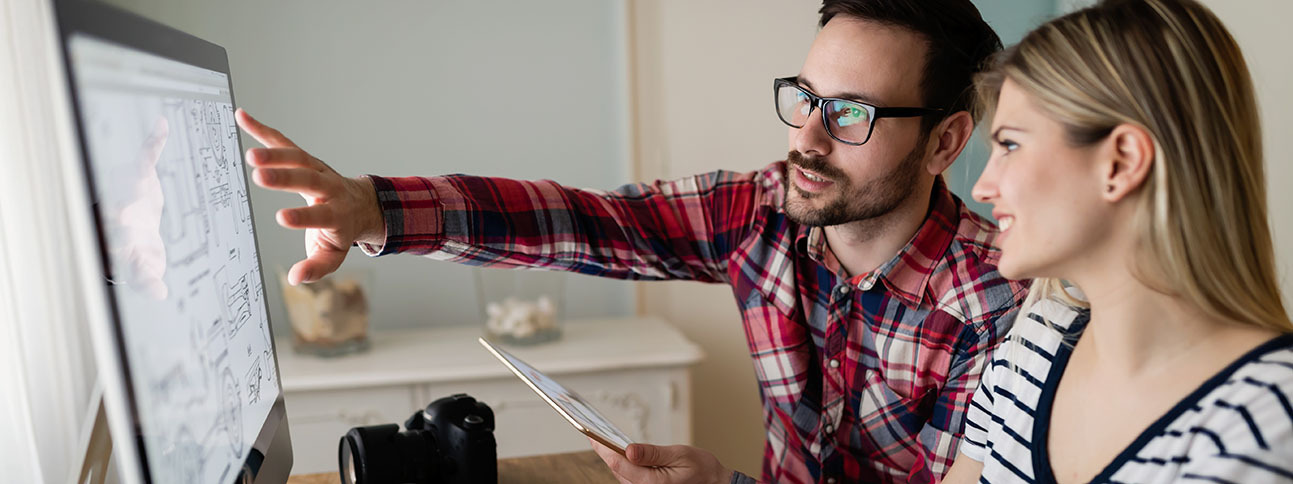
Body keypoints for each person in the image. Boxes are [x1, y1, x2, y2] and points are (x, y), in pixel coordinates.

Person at [236, 1, 1027, 482]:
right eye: (805, 98)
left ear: (945, 141)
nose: (808, 137)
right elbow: (581, 222)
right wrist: (373, 209)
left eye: (851, 112)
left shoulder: (997, 306)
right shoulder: (763, 212)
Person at [938, 0, 1293, 483]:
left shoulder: (1264, 420)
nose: (981, 188)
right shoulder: (1033, 344)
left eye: (1012, 145)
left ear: (1121, 163)